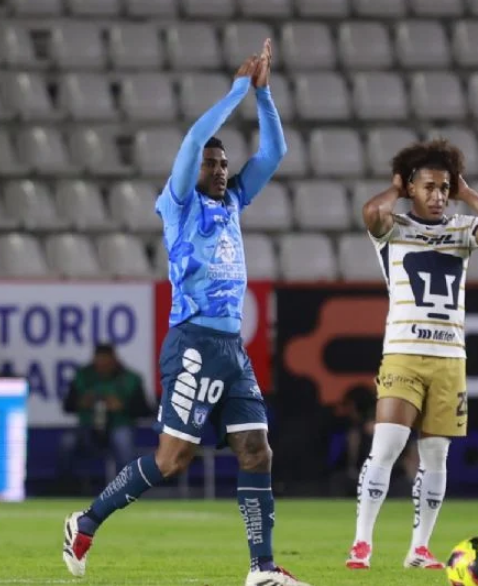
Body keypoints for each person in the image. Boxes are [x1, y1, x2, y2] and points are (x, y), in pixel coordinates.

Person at [62, 40, 309, 586]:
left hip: (231, 349)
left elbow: (275, 154)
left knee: (255, 449)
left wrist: (264, 96)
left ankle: (262, 569)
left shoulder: (232, 202)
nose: (220, 170)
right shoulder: (178, 203)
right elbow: (195, 136)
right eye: (212, 164)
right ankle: (86, 521)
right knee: (173, 460)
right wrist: (239, 89)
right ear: (193, 168)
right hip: (193, 342)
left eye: (223, 164)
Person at [346, 139, 478, 571]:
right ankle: (362, 543)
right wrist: (396, 188)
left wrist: (469, 193)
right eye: (429, 187)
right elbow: (371, 213)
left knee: (436, 455)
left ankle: (419, 548)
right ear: (410, 188)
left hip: (449, 358)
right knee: (385, 445)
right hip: (403, 353)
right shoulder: (393, 228)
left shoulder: (462, 229)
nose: (439, 195)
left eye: (445, 187)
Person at [62, 344, 148, 472]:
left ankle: (127, 486)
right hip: (89, 427)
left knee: (123, 441)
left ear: (114, 360)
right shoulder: (83, 376)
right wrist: (81, 402)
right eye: (99, 363)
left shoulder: (131, 378)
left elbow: (145, 410)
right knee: (67, 441)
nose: (102, 367)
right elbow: (68, 406)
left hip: (118, 426)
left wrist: (122, 406)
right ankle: (66, 486)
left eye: (106, 363)